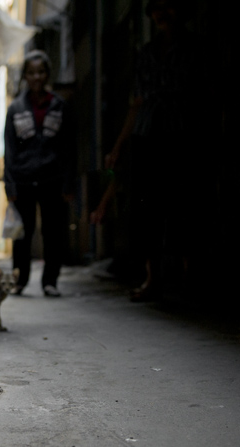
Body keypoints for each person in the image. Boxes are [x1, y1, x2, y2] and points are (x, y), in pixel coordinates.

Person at [105, 0, 207, 301]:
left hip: (183, 135)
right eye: (156, 8)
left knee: (185, 207)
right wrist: (119, 146)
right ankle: (153, 279)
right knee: (146, 209)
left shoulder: (196, 48)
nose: (162, 14)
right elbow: (136, 104)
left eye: (169, 5)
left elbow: (206, 94)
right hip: (148, 137)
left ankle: (191, 279)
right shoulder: (147, 54)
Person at [3, 50, 76, 297]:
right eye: (31, 72)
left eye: (41, 72)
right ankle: (19, 280)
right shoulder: (15, 108)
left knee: (53, 232)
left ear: (47, 74)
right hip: (23, 180)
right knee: (22, 234)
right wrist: (10, 186)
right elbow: (10, 150)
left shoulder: (59, 106)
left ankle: (50, 281)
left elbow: (68, 148)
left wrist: (68, 183)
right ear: (25, 75)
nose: (36, 76)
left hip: (52, 179)